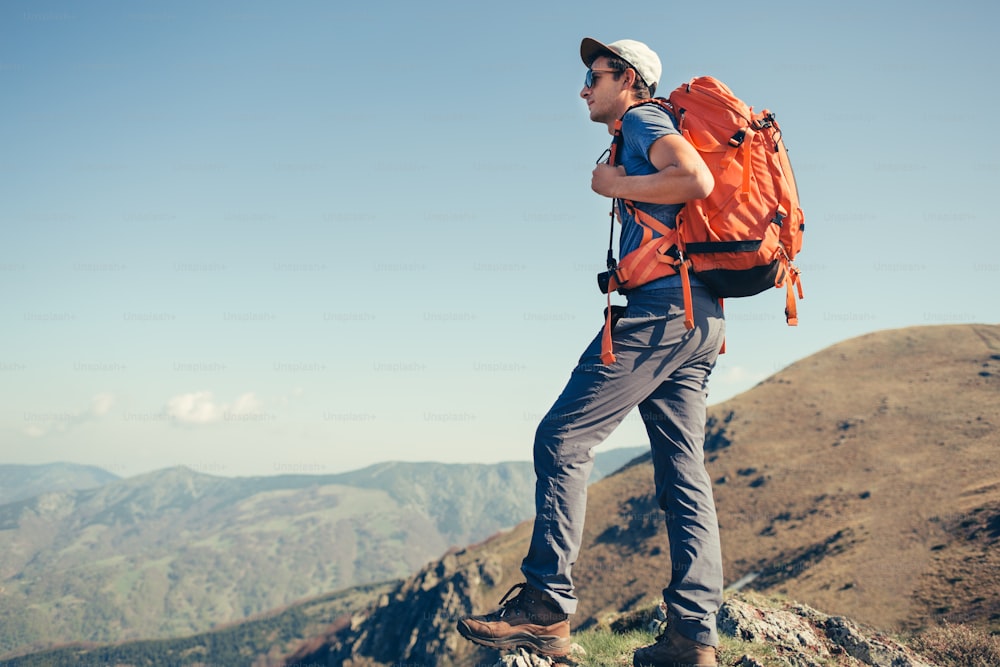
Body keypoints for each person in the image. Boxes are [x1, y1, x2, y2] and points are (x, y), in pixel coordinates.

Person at [457, 37, 725, 667]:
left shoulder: (641, 120)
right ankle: (692, 638)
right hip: (699, 318)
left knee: (562, 439)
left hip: (662, 312)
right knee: (683, 474)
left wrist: (614, 183)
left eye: (593, 75)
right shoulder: (640, 125)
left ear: (626, 79)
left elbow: (696, 178)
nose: (583, 87)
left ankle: (546, 611)